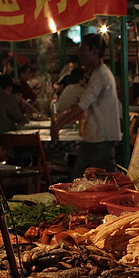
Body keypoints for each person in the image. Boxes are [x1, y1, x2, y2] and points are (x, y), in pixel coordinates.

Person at [52, 33, 121, 177]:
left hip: (101, 138)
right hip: (95, 136)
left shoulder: (101, 75)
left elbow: (83, 103)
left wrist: (59, 124)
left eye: (84, 50)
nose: (81, 54)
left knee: (105, 181)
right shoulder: (98, 73)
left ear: (95, 51)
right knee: (81, 178)